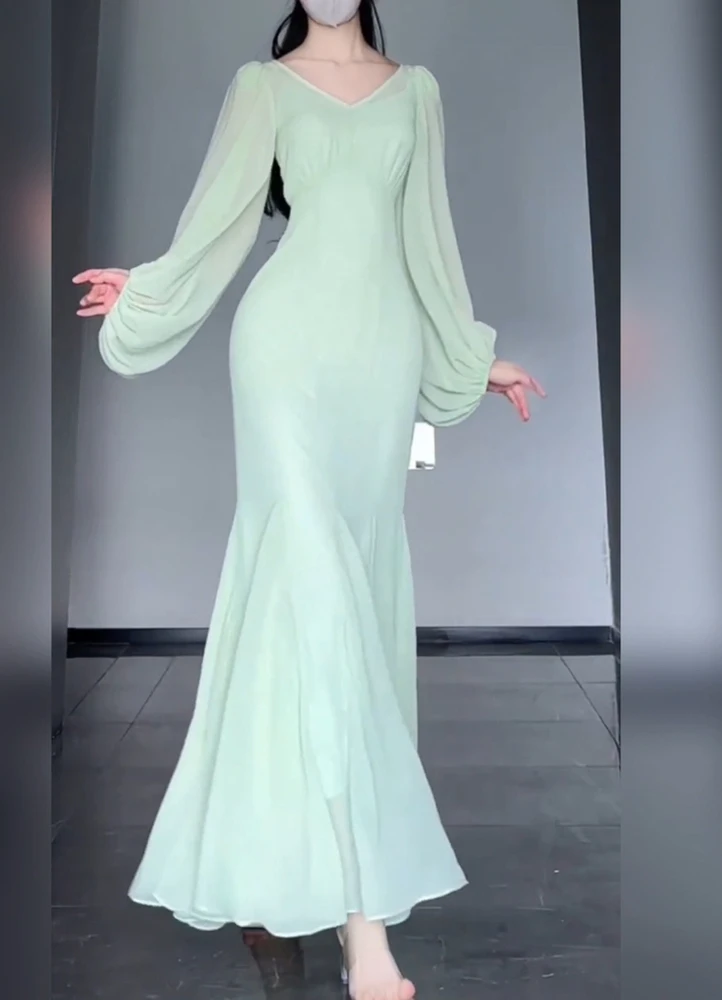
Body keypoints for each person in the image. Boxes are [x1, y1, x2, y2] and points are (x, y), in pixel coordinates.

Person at [73, 2, 545, 997]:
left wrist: (472, 358)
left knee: (349, 606)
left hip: (379, 360)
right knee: (318, 593)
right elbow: (220, 220)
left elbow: (429, 244)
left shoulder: (417, 93)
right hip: (283, 351)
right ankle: (365, 934)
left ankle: (310, 876)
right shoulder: (262, 87)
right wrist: (150, 289)